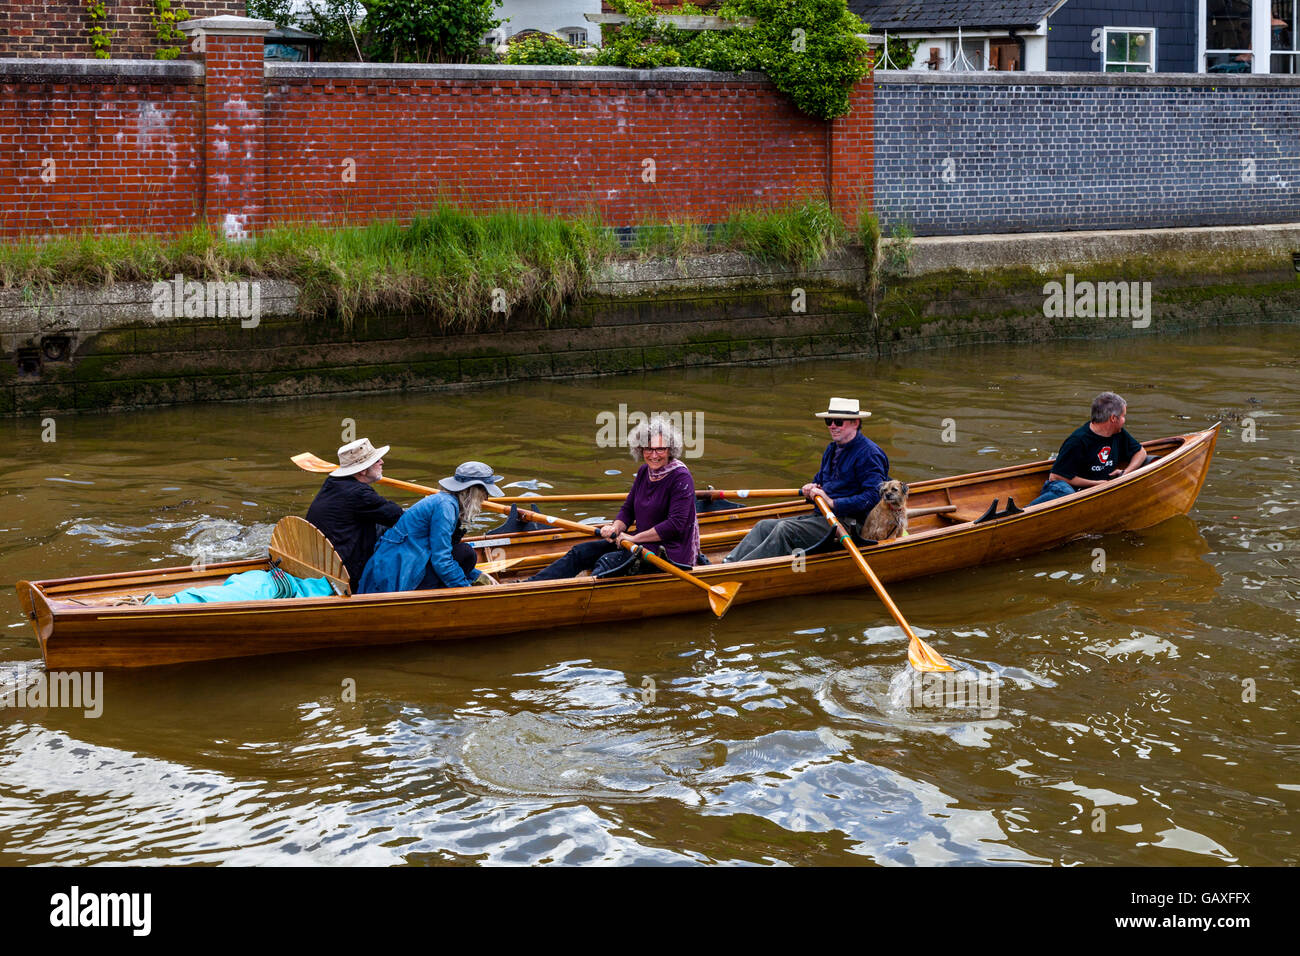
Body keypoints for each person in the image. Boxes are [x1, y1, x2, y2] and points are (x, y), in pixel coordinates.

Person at [526, 416, 701, 581]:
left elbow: (674, 526)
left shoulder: (681, 477)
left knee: (608, 562)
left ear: (670, 450)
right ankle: (527, 585)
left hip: (669, 552)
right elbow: (628, 509)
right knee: (581, 551)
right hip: (640, 542)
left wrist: (633, 539)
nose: (654, 455)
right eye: (648, 449)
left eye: (660, 449)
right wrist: (615, 528)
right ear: (641, 450)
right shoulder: (643, 472)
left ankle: (581, 598)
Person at [725, 397, 889, 563]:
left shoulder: (869, 454)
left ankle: (738, 570)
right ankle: (729, 563)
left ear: (855, 423)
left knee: (784, 529)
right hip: (824, 516)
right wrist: (811, 488)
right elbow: (821, 480)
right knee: (763, 526)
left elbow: (872, 497)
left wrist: (832, 503)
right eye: (829, 421)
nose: (832, 426)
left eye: (838, 421)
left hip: (852, 525)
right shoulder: (832, 448)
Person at [357, 461, 504, 593]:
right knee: (466, 553)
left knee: (464, 555)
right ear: (473, 490)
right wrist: (466, 589)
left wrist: (476, 575)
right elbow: (441, 559)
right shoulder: (445, 507)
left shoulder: (444, 501)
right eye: (485, 492)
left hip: (393, 567)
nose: (486, 498)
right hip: (397, 579)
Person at [305, 437, 404, 585]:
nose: (382, 462)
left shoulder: (333, 483)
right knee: (406, 528)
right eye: (377, 460)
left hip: (321, 558)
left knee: (382, 525)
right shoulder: (360, 494)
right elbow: (398, 515)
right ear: (363, 470)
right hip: (343, 569)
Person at [1029, 391, 1148, 506]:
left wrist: (1125, 473)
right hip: (1064, 487)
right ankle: (1023, 512)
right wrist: (1096, 484)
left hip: (1095, 490)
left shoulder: (1119, 434)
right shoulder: (1077, 441)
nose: (1124, 421)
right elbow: (1056, 476)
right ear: (1113, 418)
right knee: (1067, 493)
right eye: (1123, 416)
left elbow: (1140, 452)